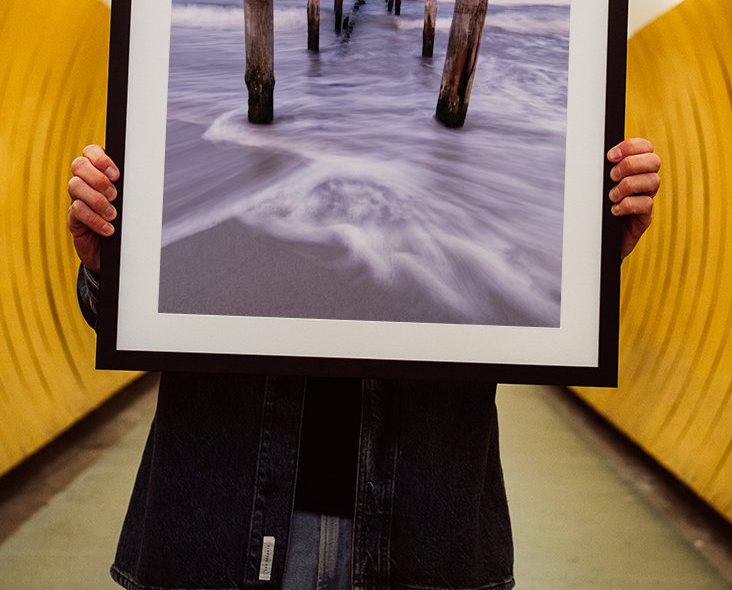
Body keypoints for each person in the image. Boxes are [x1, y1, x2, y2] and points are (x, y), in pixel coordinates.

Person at [68, 138, 661, 590]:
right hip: (220, 523)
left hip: (422, 532)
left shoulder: (459, 181)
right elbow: (131, 315)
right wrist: (110, 267)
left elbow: (509, 300)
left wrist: (586, 260)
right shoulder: (211, 155)